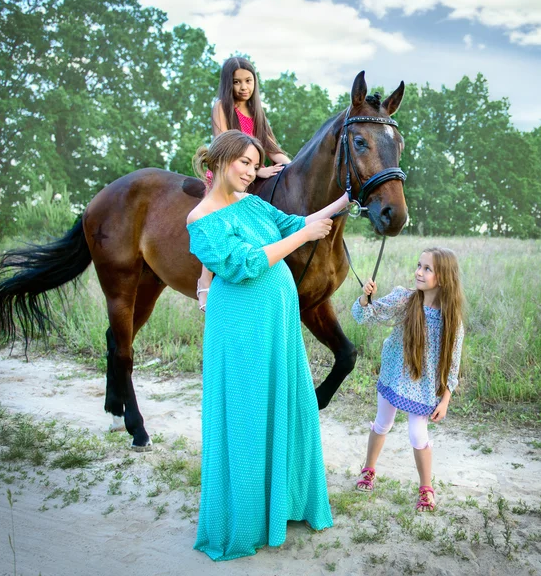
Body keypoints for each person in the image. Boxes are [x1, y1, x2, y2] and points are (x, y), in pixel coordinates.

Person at [186, 130, 349, 561]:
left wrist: (346, 198)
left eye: (254, 164)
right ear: (220, 161)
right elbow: (247, 264)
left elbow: (297, 223)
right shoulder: (201, 217)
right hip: (241, 324)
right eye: (243, 162)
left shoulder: (253, 203)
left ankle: (285, 501)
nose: (250, 171)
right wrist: (306, 235)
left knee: (286, 405)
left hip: (277, 323)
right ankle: (244, 516)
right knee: (246, 412)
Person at [351, 248, 465, 511]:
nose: (418, 272)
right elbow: (364, 316)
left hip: (423, 387)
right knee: (383, 423)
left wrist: (445, 399)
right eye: (418, 265)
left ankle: (426, 488)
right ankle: (368, 469)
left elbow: (453, 363)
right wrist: (365, 298)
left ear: (444, 277)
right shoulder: (405, 299)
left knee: (417, 435)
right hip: (394, 375)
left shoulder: (452, 319)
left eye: (427, 268)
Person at [197, 56, 290, 311]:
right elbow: (224, 145)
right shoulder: (221, 108)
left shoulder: (257, 111)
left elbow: (270, 146)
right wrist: (257, 170)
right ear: (228, 84)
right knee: (217, 216)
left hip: (250, 170)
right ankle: (205, 278)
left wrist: (291, 167)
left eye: (248, 81)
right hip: (227, 171)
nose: (243, 87)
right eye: (237, 82)